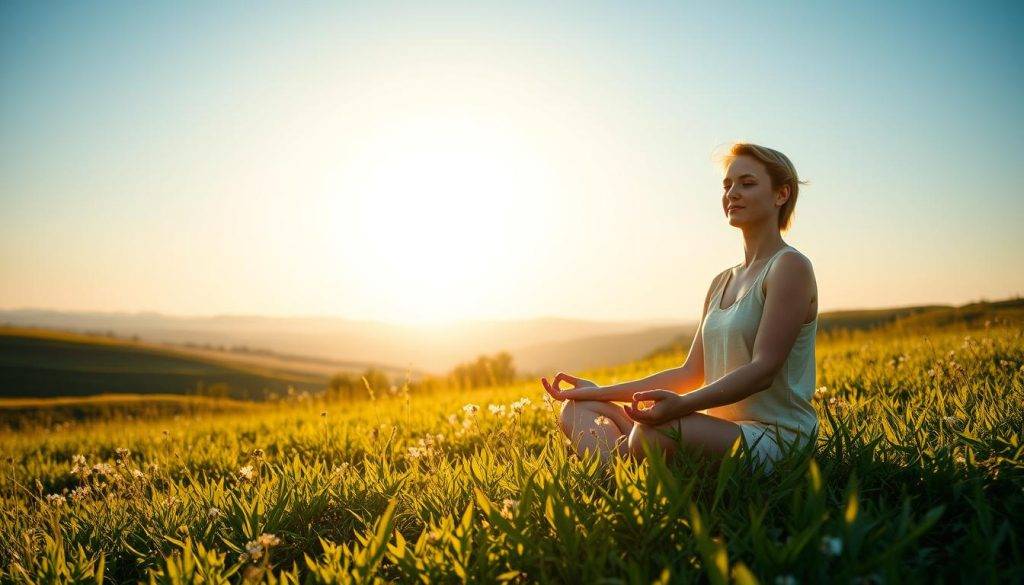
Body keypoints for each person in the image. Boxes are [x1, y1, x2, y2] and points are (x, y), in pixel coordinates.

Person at [541, 142, 818, 473]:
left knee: (650, 433)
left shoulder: (789, 267)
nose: (732, 193)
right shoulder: (721, 281)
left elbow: (763, 369)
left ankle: (620, 470)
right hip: (715, 433)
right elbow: (689, 373)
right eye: (727, 185)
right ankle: (616, 480)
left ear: (781, 195)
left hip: (775, 440)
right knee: (576, 410)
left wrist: (681, 407)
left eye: (747, 183)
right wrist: (599, 392)